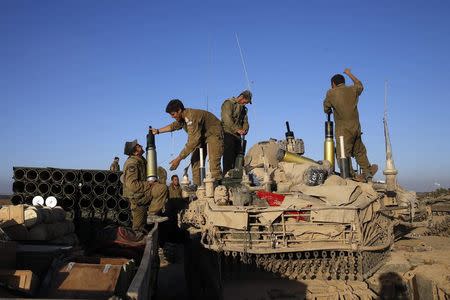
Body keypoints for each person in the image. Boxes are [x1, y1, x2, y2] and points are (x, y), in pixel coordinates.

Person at [152, 99, 224, 186]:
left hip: (214, 133)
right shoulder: (182, 118)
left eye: (173, 114)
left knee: (213, 161)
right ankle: (198, 188)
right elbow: (173, 126)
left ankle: (219, 189)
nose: (172, 117)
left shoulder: (191, 117)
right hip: (202, 137)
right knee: (195, 160)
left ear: (179, 110)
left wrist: (178, 159)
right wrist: (158, 131)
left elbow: (193, 142)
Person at [323, 68, 378, 182]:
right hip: (356, 128)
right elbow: (360, 85)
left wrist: (329, 109)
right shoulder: (352, 90)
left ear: (333, 84)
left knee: (342, 154)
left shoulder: (331, 92)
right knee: (359, 151)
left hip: (343, 131)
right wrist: (349, 73)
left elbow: (326, 108)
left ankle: (351, 176)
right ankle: (367, 173)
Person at [122, 139, 168, 236]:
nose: (141, 146)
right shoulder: (132, 163)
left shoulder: (141, 160)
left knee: (161, 188)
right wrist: (149, 184)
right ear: (135, 152)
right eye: (138, 146)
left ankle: (151, 215)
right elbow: (132, 185)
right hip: (138, 198)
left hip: (143, 194)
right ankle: (137, 247)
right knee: (138, 229)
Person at [221, 90, 252, 175]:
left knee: (239, 157)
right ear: (241, 97)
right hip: (228, 132)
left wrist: (245, 129)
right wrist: (237, 129)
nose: (245, 104)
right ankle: (227, 175)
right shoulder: (228, 103)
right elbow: (227, 120)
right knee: (228, 156)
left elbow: (245, 121)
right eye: (245, 102)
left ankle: (238, 176)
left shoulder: (244, 109)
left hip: (238, 136)